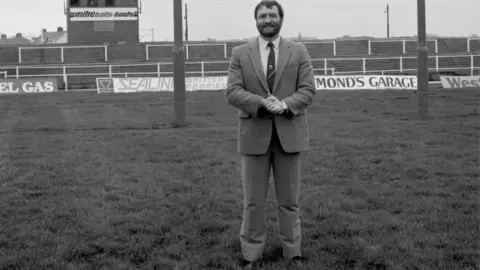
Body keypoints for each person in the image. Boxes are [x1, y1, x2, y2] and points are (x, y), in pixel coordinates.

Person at [225, 0, 316, 268]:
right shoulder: (240, 53)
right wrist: (262, 103)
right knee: (253, 202)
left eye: (272, 15)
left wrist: (285, 104)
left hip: (290, 134)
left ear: (281, 19)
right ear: (256, 20)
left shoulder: (299, 51)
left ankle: (293, 252)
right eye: (262, 15)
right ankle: (251, 254)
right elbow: (232, 92)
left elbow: (308, 90)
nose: (267, 19)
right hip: (254, 135)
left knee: (289, 201)